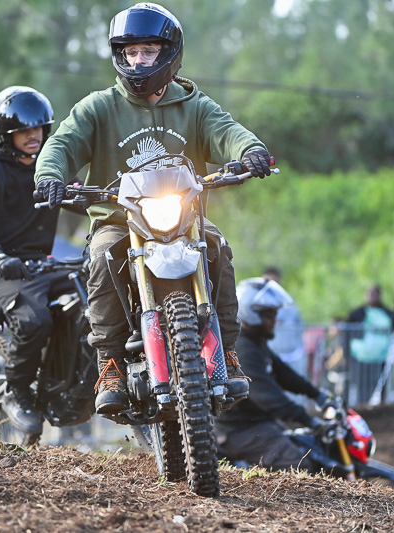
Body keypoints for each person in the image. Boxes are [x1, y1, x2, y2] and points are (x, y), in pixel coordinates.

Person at [35, 2, 272, 415]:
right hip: (118, 220)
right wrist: (50, 175)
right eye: (131, 52)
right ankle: (108, 364)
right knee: (101, 254)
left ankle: (227, 352)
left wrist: (249, 150)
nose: (139, 60)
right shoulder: (99, 107)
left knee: (218, 248)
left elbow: (227, 132)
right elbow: (61, 143)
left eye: (148, 51)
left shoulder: (195, 106)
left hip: (185, 222)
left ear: (168, 54)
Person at [0, 85, 64, 436]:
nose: (34, 135)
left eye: (39, 128)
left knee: (95, 293)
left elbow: (82, 194)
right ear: (8, 134)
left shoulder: (50, 169)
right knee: (33, 319)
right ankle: (17, 392)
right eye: (25, 130)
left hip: (41, 265)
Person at [215, 277, 333, 473]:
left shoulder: (255, 343)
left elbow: (285, 374)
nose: (274, 321)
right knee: (299, 465)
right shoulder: (242, 349)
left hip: (255, 424)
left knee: (308, 446)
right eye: (269, 315)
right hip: (238, 430)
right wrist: (309, 420)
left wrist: (318, 395)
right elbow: (270, 398)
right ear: (251, 314)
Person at [344, 284, 394, 406]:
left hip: (382, 357)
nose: (372, 296)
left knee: (379, 387)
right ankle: (362, 411)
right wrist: (346, 354)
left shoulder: (388, 313)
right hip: (360, 357)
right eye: (369, 293)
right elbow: (347, 334)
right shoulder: (357, 313)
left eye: (374, 294)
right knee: (362, 388)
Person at [263, 267, 307, 383]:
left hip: (291, 355)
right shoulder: (258, 303)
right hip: (270, 354)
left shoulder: (288, 303)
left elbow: (299, 326)